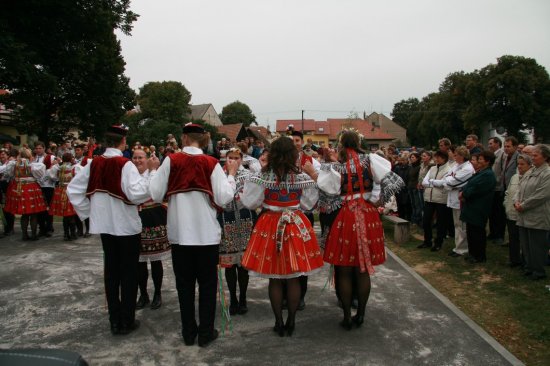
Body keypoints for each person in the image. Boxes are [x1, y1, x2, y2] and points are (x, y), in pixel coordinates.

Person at [149, 123, 237, 347]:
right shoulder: (210, 163)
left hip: (180, 235)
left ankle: (188, 332)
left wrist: (153, 171)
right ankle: (205, 332)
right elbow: (224, 197)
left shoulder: (172, 160)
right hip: (206, 234)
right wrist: (232, 176)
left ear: (185, 138)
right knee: (208, 285)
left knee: (184, 285)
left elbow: (156, 194)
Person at [67, 124, 160, 336]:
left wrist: (90, 213)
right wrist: (153, 172)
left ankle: (114, 320)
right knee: (128, 274)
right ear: (123, 142)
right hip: (126, 227)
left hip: (106, 227)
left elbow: (73, 189)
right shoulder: (124, 164)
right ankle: (126, 320)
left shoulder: (94, 163)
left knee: (111, 273)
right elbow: (138, 194)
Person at [317, 130, 403, 330]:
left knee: (345, 270)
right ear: (358, 142)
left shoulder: (336, 166)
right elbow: (387, 181)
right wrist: (374, 199)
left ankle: (347, 315)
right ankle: (361, 314)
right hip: (367, 214)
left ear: (340, 144)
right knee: (362, 271)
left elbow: (327, 190)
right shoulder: (371, 159)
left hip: (346, 214)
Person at [240, 136, 323, 337]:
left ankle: (278, 322)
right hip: (294, 223)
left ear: (273, 153)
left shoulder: (263, 175)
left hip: (269, 223)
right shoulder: (301, 176)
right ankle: (291, 321)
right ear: (293, 155)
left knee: (275, 278)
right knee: (294, 277)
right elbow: (309, 204)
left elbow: (250, 202)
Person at [217, 147, 257, 315]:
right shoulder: (220, 175)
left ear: (241, 159)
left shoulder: (248, 175)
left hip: (246, 219)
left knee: (243, 264)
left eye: (236, 157)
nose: (233, 160)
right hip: (226, 220)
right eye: (230, 157)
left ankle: (243, 298)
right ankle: (233, 298)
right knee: (230, 264)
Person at [132, 149, 171, 311]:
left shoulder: (153, 174)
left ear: (148, 159)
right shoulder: (130, 175)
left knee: (155, 260)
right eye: (134, 157)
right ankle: (143, 294)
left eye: (140, 157)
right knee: (139, 262)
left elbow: (157, 193)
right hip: (135, 220)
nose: (137, 160)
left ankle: (157, 293)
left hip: (154, 218)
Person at [514, 144, 550, 280]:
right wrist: (516, 201)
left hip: (537, 215)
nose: (532, 158)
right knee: (526, 244)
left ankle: (538, 271)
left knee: (537, 246)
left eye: (535, 155)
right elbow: (520, 187)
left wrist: (523, 205)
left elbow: (541, 195)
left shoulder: (547, 173)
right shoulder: (532, 171)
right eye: (532, 155)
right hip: (524, 215)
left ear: (545, 157)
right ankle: (529, 267)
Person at [430, 146, 474, 258]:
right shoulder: (456, 165)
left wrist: (447, 182)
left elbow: (454, 182)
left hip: (460, 200)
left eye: (456, 155)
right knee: (456, 224)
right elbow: (447, 178)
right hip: (453, 198)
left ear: (462, 156)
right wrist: (448, 182)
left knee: (461, 225)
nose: (454, 157)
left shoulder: (468, 168)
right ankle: (458, 246)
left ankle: (462, 249)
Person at [459, 150, 497, 263]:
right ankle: (472, 253)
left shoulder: (488, 175)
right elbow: (469, 184)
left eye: (480, 159)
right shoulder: (480, 172)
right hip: (471, 206)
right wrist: (463, 192)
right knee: (471, 231)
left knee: (478, 232)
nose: (478, 161)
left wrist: (464, 194)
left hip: (479, 207)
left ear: (487, 161)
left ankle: (479, 255)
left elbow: (476, 189)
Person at [3, 148, 47, 240]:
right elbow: (40, 176)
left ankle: (24, 235)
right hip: (31, 188)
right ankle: (34, 235)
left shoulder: (14, 164)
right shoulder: (34, 165)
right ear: (29, 155)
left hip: (19, 188)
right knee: (33, 213)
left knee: (25, 214)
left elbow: (9, 174)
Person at [419, 150, 451, 252]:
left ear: (444, 158)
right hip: (429, 197)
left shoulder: (448, 169)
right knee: (426, 220)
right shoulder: (432, 168)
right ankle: (427, 240)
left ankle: (438, 243)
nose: (436, 159)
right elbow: (424, 182)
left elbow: (444, 183)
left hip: (441, 199)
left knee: (441, 222)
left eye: (439, 157)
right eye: (436, 157)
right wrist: (434, 183)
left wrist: (432, 182)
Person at [503, 154, 532, 268]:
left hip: (523, 213)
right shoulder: (514, 177)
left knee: (524, 240)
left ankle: (526, 261)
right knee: (513, 238)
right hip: (511, 212)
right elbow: (508, 192)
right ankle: (514, 260)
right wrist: (506, 204)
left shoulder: (531, 178)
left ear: (529, 165)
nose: (519, 166)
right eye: (518, 164)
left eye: (522, 164)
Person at [48, 152, 80, 241]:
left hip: (61, 190)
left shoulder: (58, 167)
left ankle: (66, 234)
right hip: (71, 191)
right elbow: (79, 178)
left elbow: (52, 177)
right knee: (71, 214)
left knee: (65, 215)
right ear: (71, 159)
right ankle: (73, 233)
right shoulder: (75, 167)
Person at [33, 141, 56, 237]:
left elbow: (54, 170)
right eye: (36, 148)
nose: (38, 150)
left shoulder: (50, 157)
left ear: (44, 148)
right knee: (39, 208)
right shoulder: (34, 158)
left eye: (40, 148)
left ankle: (49, 227)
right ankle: (41, 227)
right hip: (37, 185)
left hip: (48, 186)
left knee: (48, 207)